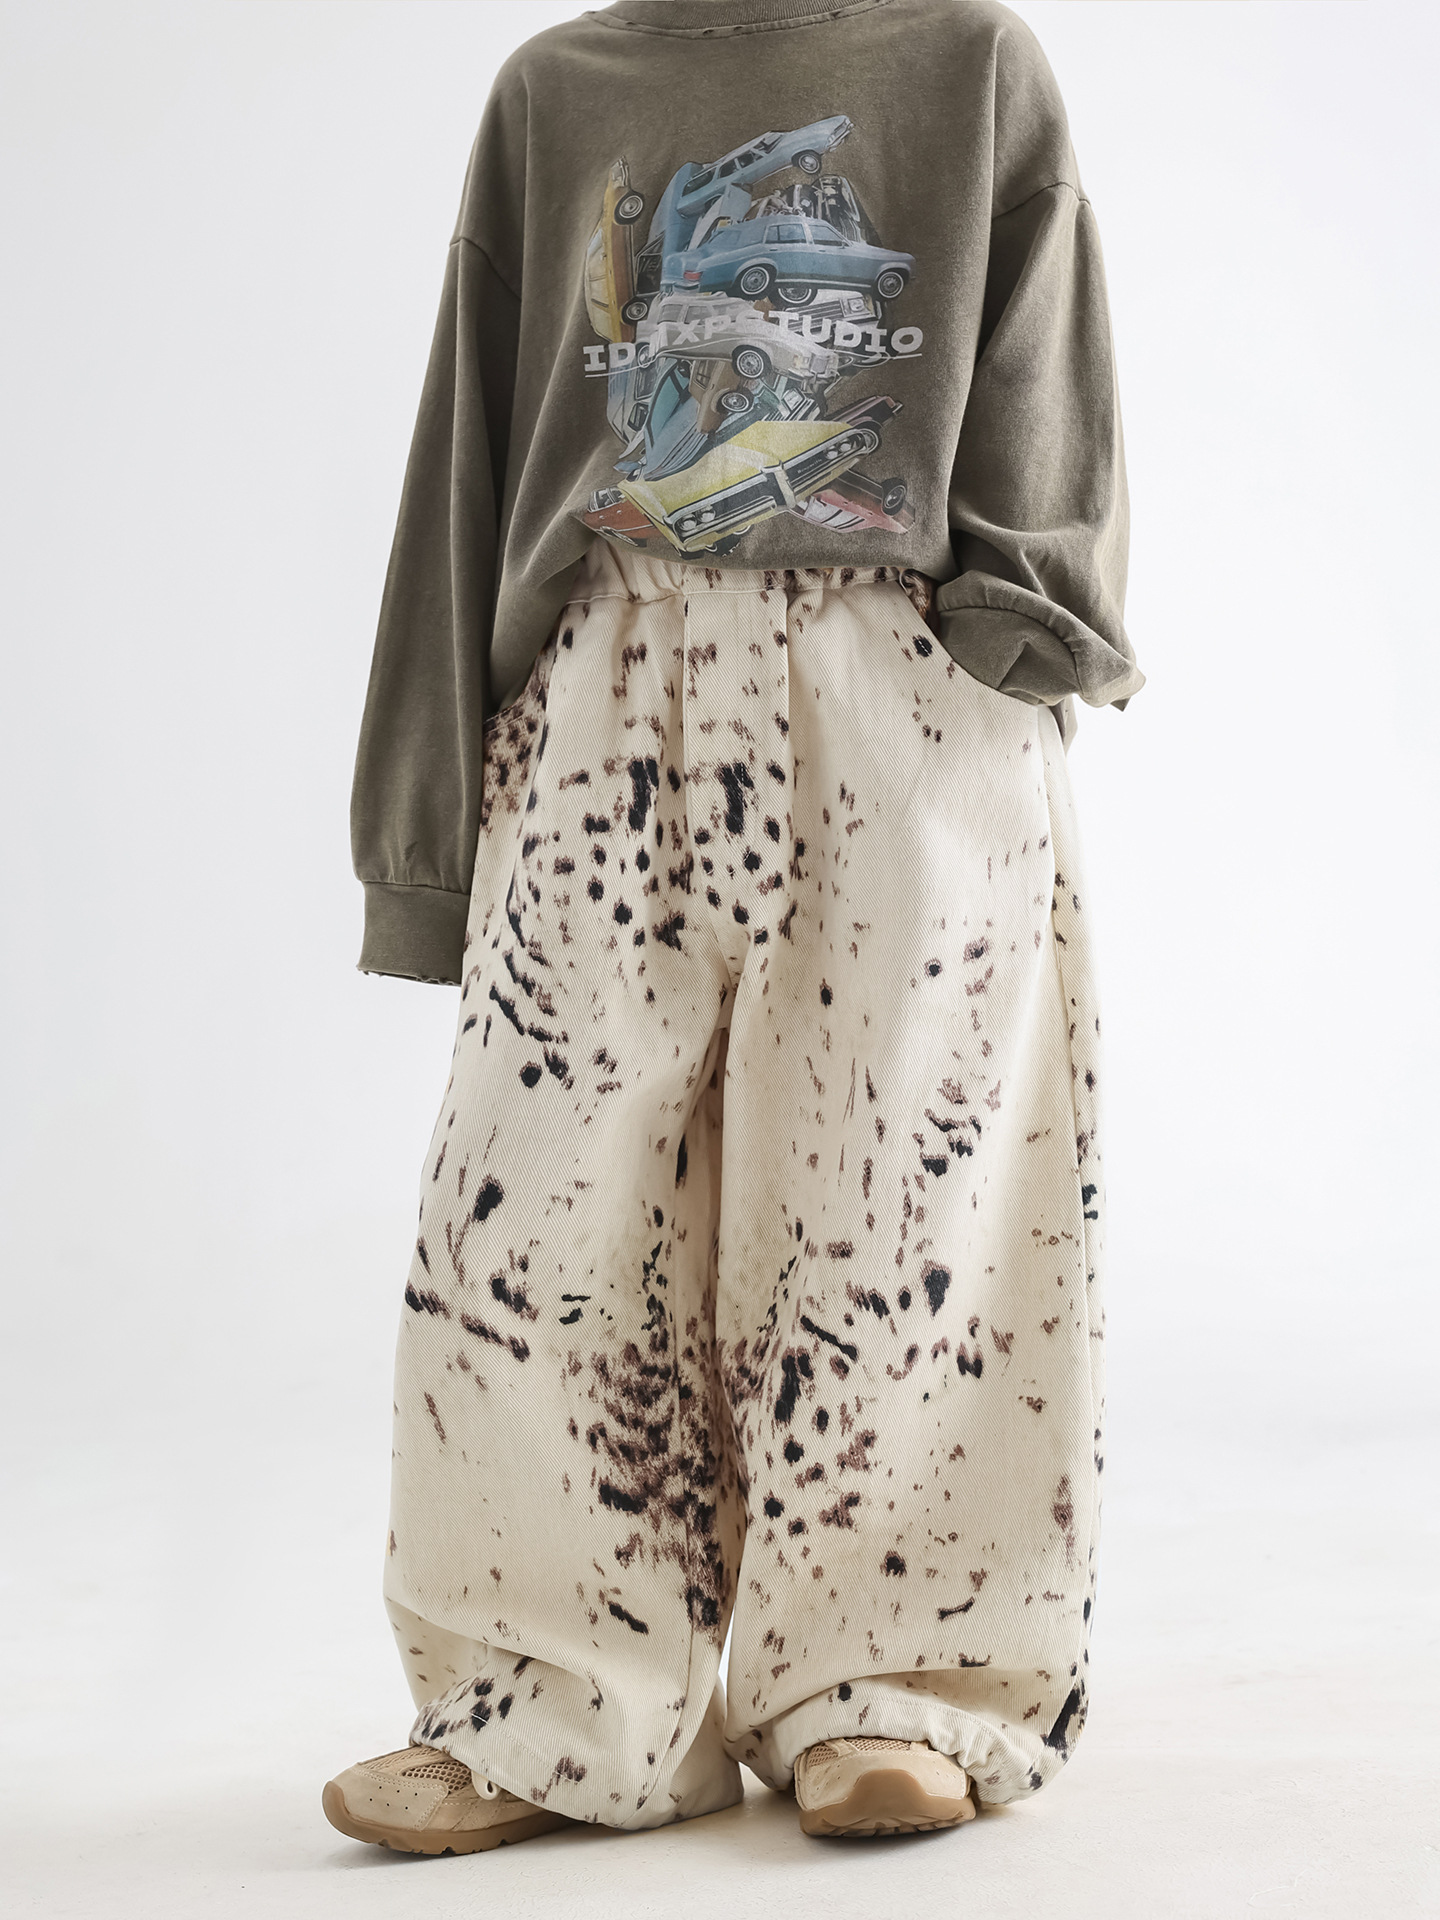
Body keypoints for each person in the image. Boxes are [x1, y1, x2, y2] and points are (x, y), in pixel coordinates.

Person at [325, 0, 1144, 1855]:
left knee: (905, 1200)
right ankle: (546, 1706)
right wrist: (426, 841)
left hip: (902, 679)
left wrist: (994, 651)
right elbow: (471, 454)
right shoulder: (557, 92)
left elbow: (1052, 391)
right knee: (533, 1208)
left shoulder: (971, 64)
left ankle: (893, 1683)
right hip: (605, 672)